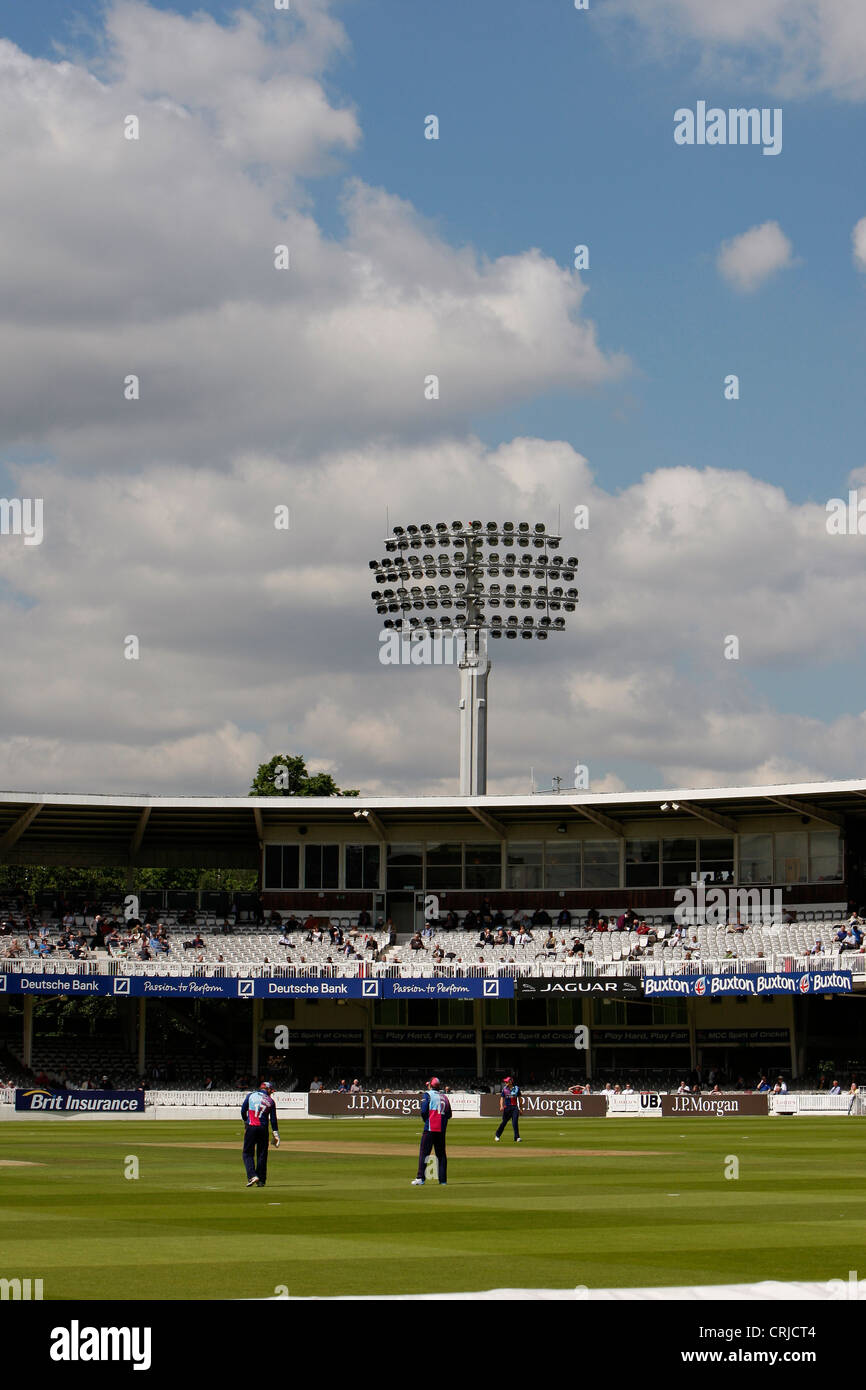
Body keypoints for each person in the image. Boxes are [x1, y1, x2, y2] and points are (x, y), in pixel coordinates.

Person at [412, 1076, 451, 1186]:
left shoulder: (427, 1094)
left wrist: (427, 1121)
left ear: (430, 1085)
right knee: (441, 1155)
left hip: (430, 1127)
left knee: (424, 1153)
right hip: (441, 1129)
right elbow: (449, 1114)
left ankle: (420, 1178)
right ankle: (443, 1180)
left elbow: (424, 1111)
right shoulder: (444, 1097)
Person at [241, 1080, 280, 1188]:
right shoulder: (271, 1101)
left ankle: (252, 1175)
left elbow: (243, 1111)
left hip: (251, 1127)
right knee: (262, 1154)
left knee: (247, 1153)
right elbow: (273, 1119)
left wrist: (246, 1122)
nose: (271, 1093)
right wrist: (276, 1134)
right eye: (271, 1091)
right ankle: (261, 1180)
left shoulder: (250, 1095)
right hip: (263, 1129)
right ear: (267, 1089)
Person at [494, 1075, 522, 1143]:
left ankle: (517, 1137)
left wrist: (521, 1108)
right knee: (504, 1122)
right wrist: (501, 1106)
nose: (505, 1083)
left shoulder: (517, 1088)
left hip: (515, 1108)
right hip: (507, 1108)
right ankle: (497, 1135)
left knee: (515, 1123)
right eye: (505, 1082)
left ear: (511, 1082)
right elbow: (501, 1098)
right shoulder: (504, 1089)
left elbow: (520, 1099)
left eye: (507, 1081)